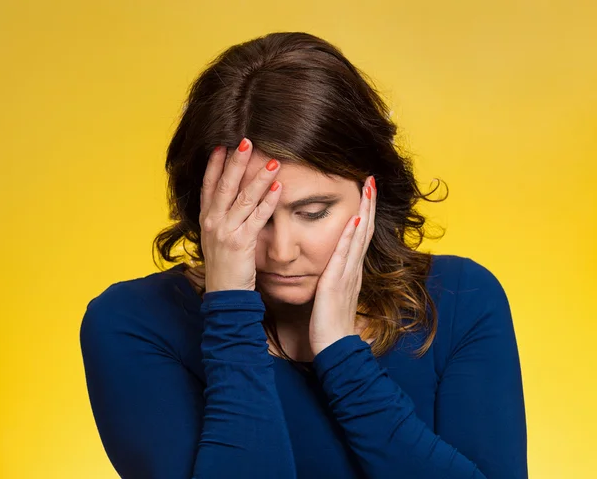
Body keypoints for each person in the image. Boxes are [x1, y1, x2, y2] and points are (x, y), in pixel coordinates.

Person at [79, 32, 528, 478]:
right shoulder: (132, 323)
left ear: (371, 190)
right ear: (203, 206)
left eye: (313, 213)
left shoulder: (459, 300)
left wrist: (342, 356)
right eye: (250, 215)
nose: (281, 251)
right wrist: (231, 311)